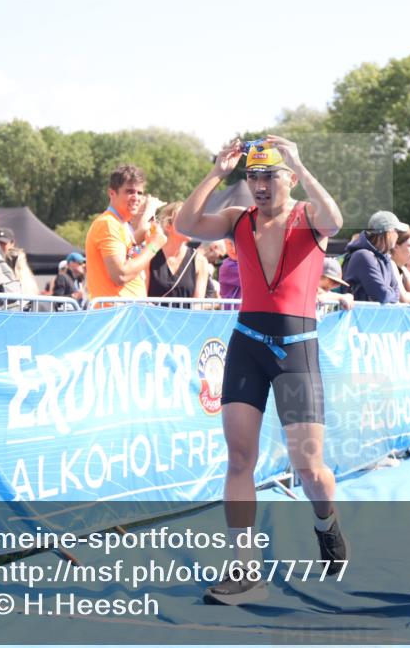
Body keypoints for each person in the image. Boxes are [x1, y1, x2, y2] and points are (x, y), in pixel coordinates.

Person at [176, 136, 346, 606]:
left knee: (308, 468)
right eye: (252, 176)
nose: (259, 185)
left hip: (295, 353)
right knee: (239, 459)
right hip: (247, 345)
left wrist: (300, 161)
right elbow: (185, 223)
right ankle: (245, 567)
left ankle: (325, 521)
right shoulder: (238, 221)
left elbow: (336, 219)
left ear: (288, 178)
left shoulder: (308, 217)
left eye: (269, 175)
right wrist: (216, 173)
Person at [85, 164, 167, 303]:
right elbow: (120, 275)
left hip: (127, 315)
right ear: (112, 193)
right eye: (129, 191)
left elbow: (130, 258)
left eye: (139, 193)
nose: (136, 198)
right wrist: (153, 246)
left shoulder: (121, 224)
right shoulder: (108, 224)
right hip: (116, 317)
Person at [147, 202, 210, 302]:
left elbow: (198, 305)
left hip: (186, 317)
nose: (190, 225)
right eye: (185, 219)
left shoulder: (200, 261)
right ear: (168, 225)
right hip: (153, 317)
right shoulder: (150, 256)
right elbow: (142, 297)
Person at [341, 211, 403, 304]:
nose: (398, 236)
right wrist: (391, 293)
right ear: (388, 233)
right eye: (396, 231)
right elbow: (383, 296)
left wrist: (390, 294)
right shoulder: (363, 256)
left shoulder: (386, 258)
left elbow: (398, 294)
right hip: (357, 317)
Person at [218, 238, 242, 307]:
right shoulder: (228, 267)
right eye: (230, 244)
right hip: (232, 315)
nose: (234, 249)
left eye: (238, 243)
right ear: (225, 243)